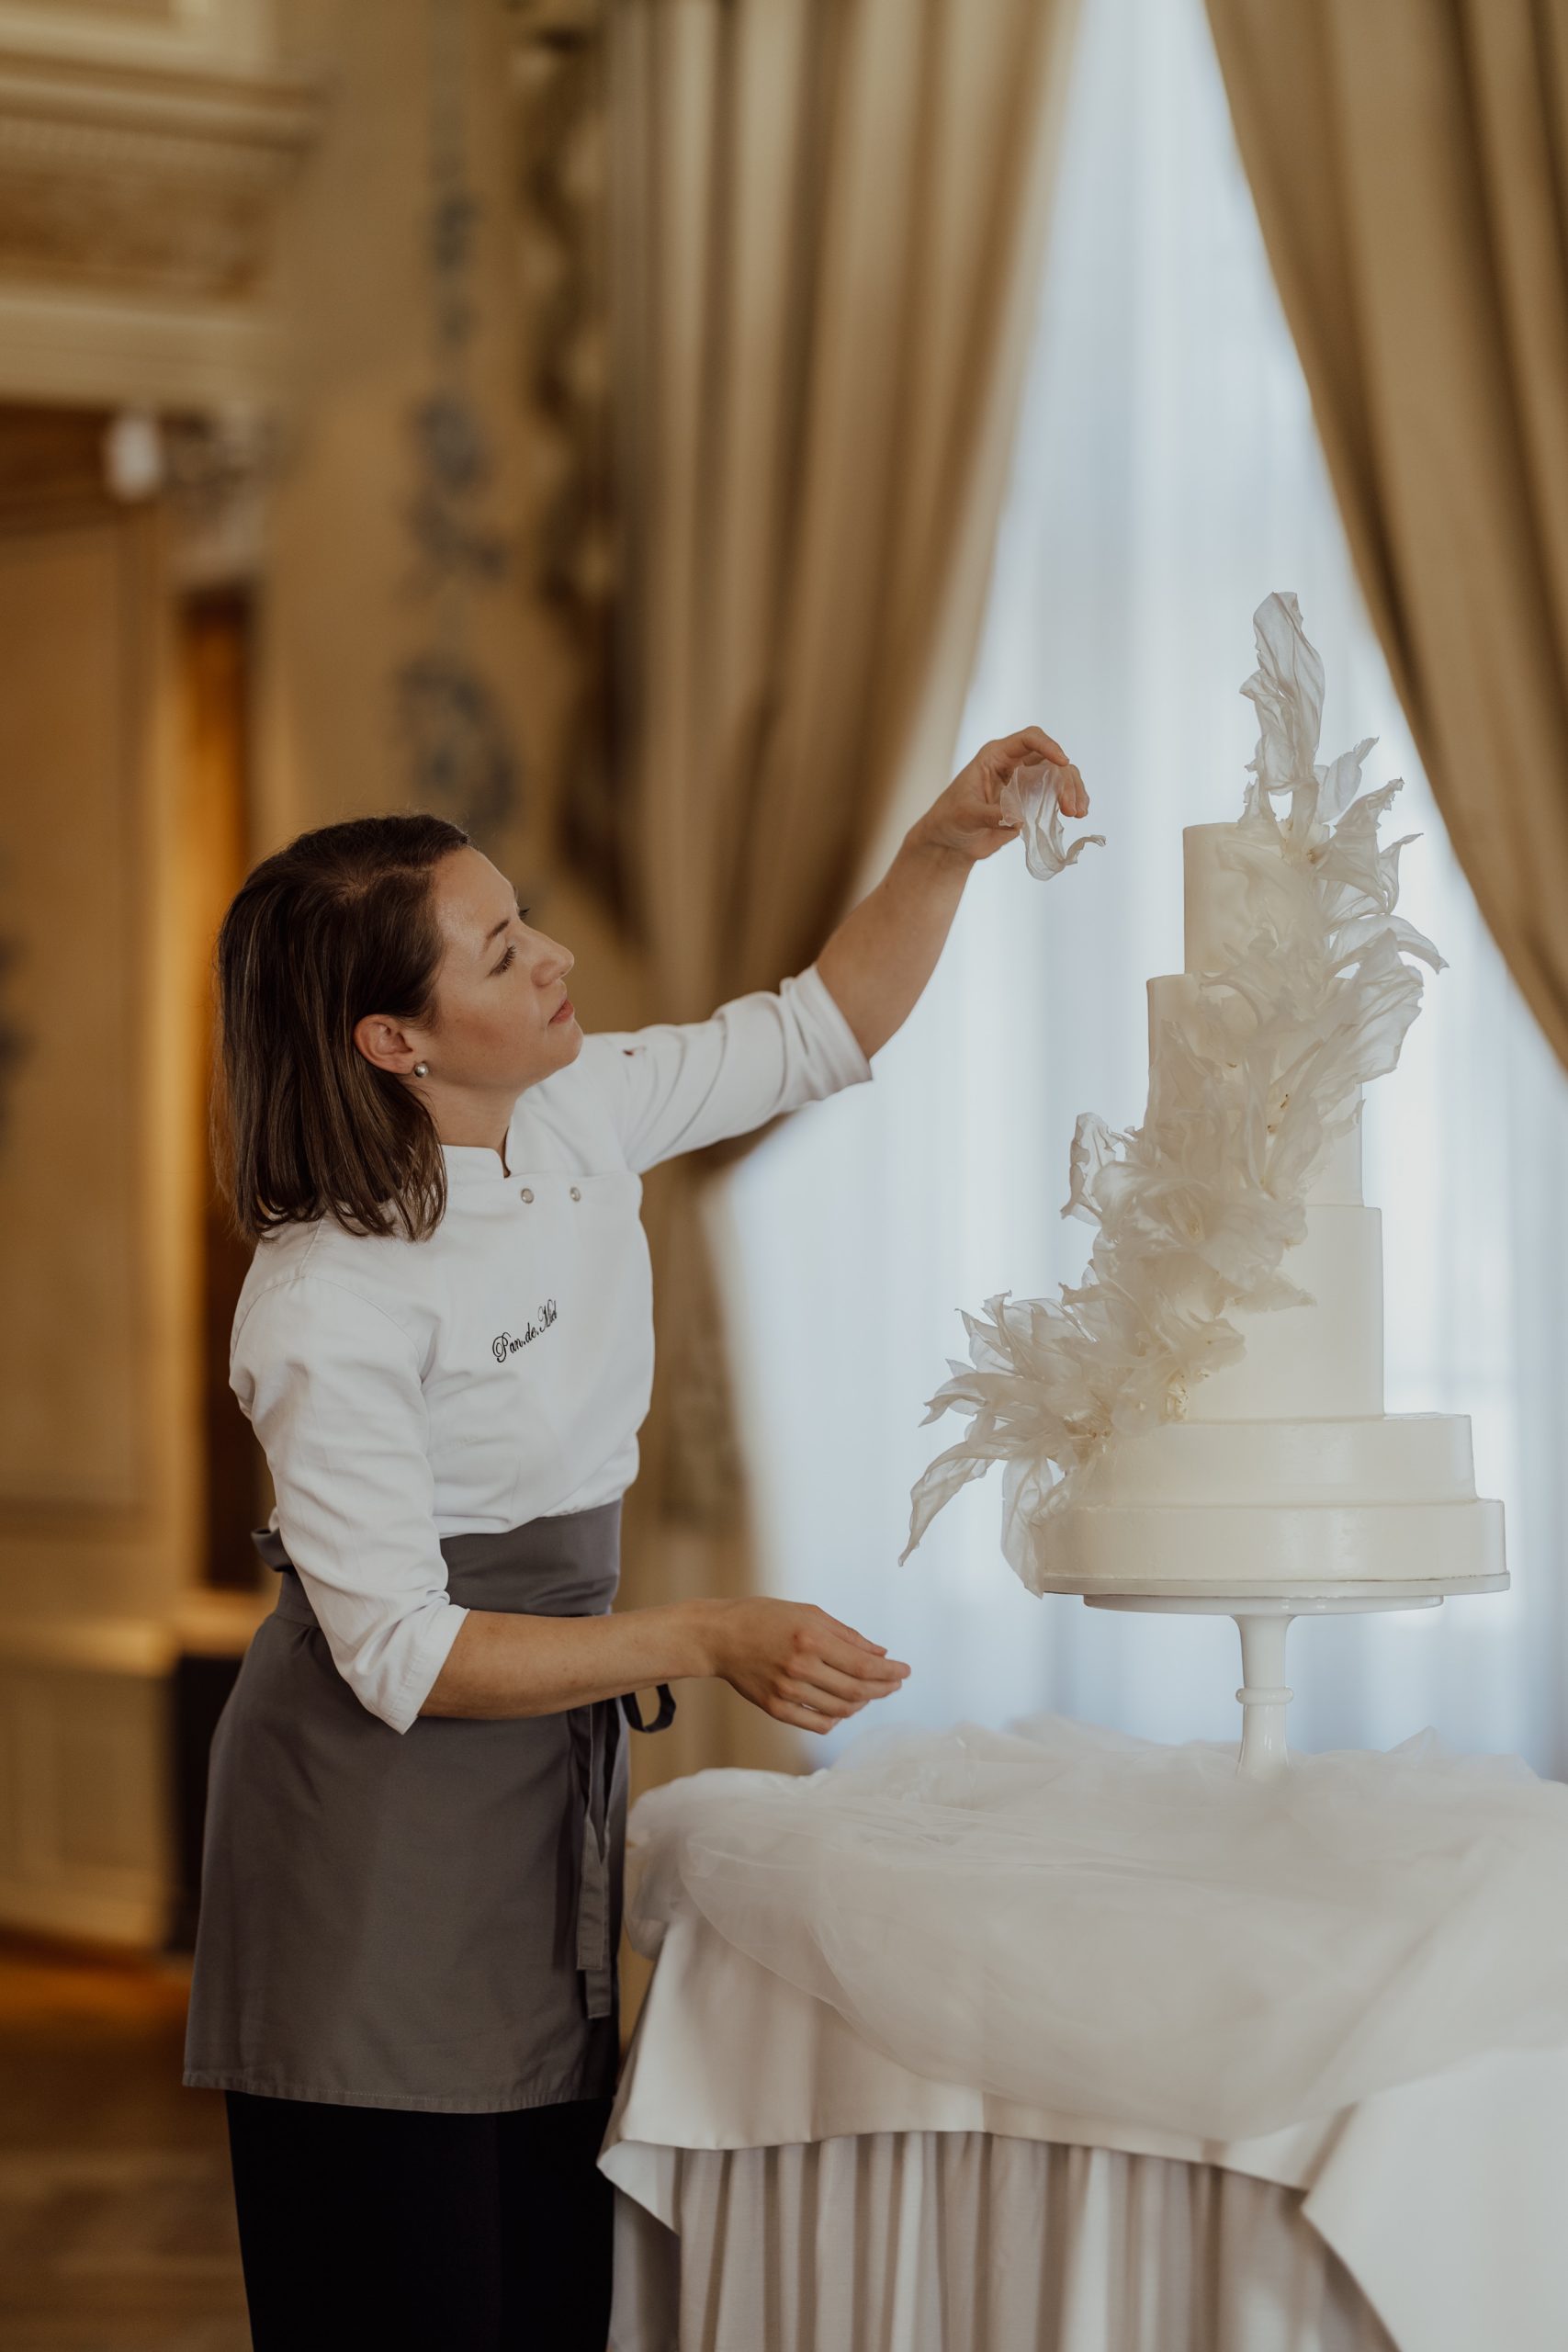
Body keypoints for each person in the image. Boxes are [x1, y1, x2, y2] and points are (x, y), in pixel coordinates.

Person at [183, 727, 1084, 2349]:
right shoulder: (324, 1298)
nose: (557, 962)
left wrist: (946, 845)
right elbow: (400, 1649)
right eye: (504, 950)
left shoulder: (578, 1110)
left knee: (545, 2296)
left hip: (534, 1804)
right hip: (371, 1836)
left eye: (527, 926)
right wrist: (701, 1636)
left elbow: (821, 1027)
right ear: (394, 1039)